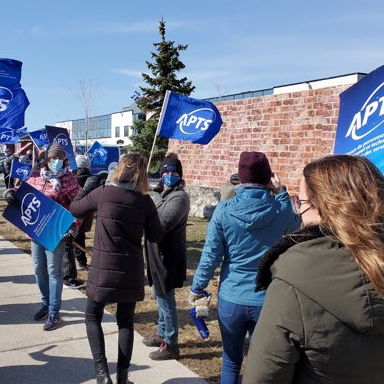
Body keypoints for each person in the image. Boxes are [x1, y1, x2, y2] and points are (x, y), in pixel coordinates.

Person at [243, 155, 384, 384]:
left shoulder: (294, 282)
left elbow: (263, 377)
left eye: (301, 202)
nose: (298, 212)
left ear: (326, 208)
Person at [190, 151, 300, 384]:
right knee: (263, 363)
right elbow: (296, 225)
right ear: (268, 178)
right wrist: (282, 192)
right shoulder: (280, 209)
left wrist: (197, 287)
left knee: (231, 361)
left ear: (240, 178)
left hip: (232, 297)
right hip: (267, 299)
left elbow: (210, 255)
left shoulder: (223, 210)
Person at [70, 153, 164, 384]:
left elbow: (75, 208)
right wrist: (155, 207)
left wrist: (86, 188)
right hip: (130, 269)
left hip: (104, 268)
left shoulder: (103, 193)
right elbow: (155, 235)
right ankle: (122, 377)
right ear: (142, 174)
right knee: (126, 321)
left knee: (92, 316)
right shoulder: (145, 201)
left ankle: (102, 374)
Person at [4, 144, 82, 331]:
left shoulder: (69, 180)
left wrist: (74, 226)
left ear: (64, 160)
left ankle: (55, 312)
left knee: (54, 271)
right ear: (46, 160)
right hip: (36, 230)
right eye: (52, 159)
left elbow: (80, 205)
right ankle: (45, 304)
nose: (55, 162)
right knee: (39, 268)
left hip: (57, 231)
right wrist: (11, 194)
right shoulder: (36, 176)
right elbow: (22, 191)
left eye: (59, 159)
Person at [143, 153, 189, 361]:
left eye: (173, 172)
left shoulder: (179, 197)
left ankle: (171, 343)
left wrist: (142, 219)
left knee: (165, 297)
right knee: (158, 293)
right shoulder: (157, 194)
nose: (169, 175)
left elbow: (161, 226)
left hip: (168, 255)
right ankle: (162, 333)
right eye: (166, 172)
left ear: (179, 175)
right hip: (154, 253)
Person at [72, 154, 94, 271]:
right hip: (87, 211)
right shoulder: (93, 178)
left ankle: (76, 262)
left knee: (71, 239)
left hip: (73, 209)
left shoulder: (71, 178)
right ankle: (82, 263)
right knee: (80, 237)